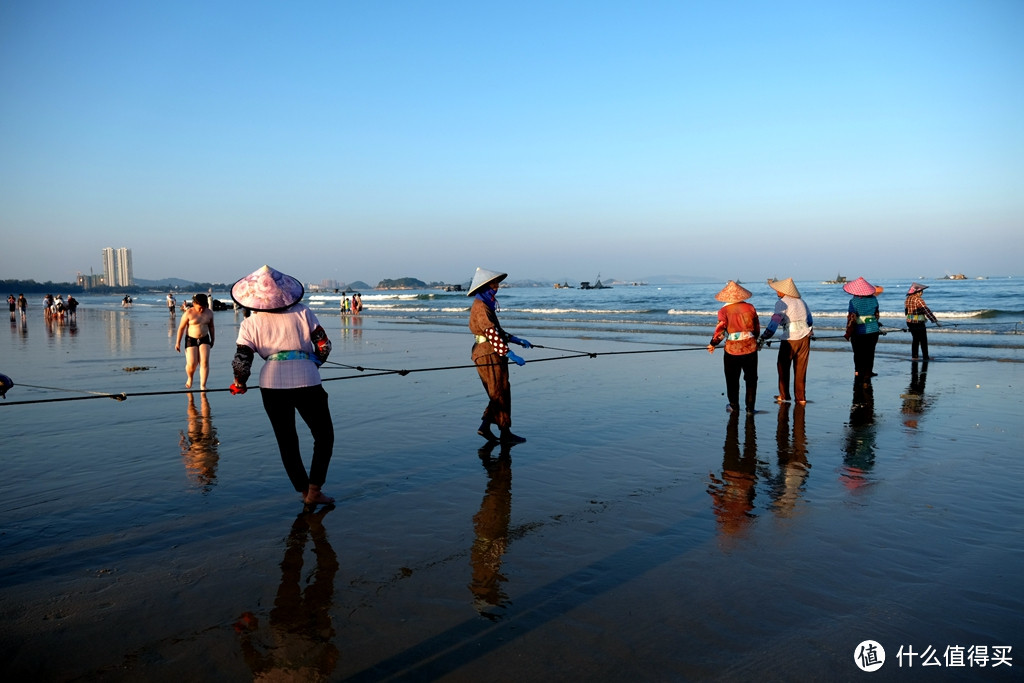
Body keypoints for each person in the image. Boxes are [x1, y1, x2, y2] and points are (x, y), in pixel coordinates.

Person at [230, 265, 336, 506]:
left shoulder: (250, 323)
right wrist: (312, 363)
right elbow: (324, 346)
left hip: (271, 383)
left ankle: (303, 492)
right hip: (308, 380)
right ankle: (315, 489)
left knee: (287, 439)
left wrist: (239, 383)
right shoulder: (303, 312)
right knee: (324, 436)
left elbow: (242, 359)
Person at [468, 267, 531, 443]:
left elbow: (498, 332)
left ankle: (501, 430)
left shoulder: (486, 304)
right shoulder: (481, 307)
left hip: (492, 352)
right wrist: (509, 353)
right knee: (497, 392)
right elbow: (491, 334)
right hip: (487, 353)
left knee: (502, 390)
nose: (496, 286)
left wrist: (516, 340)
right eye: (493, 283)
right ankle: (488, 427)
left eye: (497, 283)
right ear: (484, 286)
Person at [707, 281, 760, 414]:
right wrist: (756, 340)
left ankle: (733, 405)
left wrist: (712, 344)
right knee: (751, 379)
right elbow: (756, 328)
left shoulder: (723, 311)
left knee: (732, 379)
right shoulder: (750, 307)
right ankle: (750, 408)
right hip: (750, 347)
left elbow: (720, 332)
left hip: (732, 350)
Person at [758, 278, 813, 404]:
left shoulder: (781, 303)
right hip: (805, 337)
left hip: (790, 339)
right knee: (801, 369)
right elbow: (809, 321)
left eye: (778, 289)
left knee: (783, 366)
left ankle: (784, 395)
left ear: (783, 291)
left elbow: (774, 323)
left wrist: (764, 337)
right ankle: (801, 398)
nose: (776, 291)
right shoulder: (802, 301)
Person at [175, 293, 216, 391]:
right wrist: (178, 342)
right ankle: (190, 377)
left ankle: (203, 385)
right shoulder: (188, 313)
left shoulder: (209, 313)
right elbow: (181, 328)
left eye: (203, 307)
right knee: (192, 363)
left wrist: (213, 339)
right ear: (194, 304)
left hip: (204, 338)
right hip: (191, 339)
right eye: (199, 307)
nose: (201, 309)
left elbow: (211, 326)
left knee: (204, 362)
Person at [843, 276, 881, 382]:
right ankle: (868, 372)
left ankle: (858, 371)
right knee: (870, 352)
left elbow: (851, 317)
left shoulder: (853, 301)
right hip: (873, 329)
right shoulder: (874, 300)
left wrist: (848, 331)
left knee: (858, 352)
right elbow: (877, 314)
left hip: (858, 331)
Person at [904, 282, 939, 360]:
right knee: (923, 340)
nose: (922, 293)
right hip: (918, 323)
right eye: (921, 291)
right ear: (918, 292)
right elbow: (926, 310)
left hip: (909, 322)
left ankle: (914, 356)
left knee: (915, 339)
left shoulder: (908, 299)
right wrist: (934, 320)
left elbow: (906, 311)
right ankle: (925, 357)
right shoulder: (918, 299)